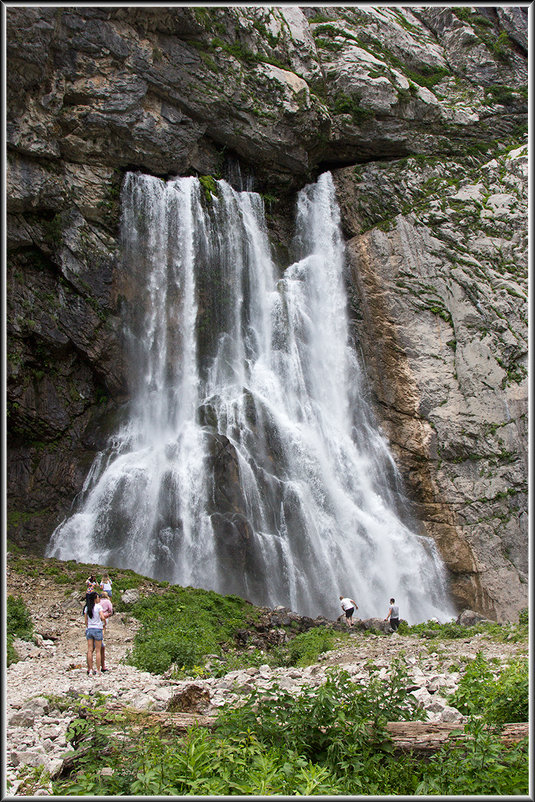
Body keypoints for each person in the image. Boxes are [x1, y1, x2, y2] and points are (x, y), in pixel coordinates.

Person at [83, 590, 105, 675]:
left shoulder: (87, 607)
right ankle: (98, 669)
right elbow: (102, 617)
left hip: (89, 629)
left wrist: (88, 626)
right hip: (97, 628)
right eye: (98, 597)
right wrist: (103, 623)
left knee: (89, 650)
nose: (99, 598)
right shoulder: (98, 607)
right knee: (98, 650)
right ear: (95, 598)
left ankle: (90, 669)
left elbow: (86, 621)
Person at [98, 591, 114, 672]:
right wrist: (109, 614)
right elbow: (111, 609)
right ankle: (102, 637)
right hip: (105, 616)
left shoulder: (98, 602)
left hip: (98, 618)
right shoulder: (108, 601)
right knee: (104, 627)